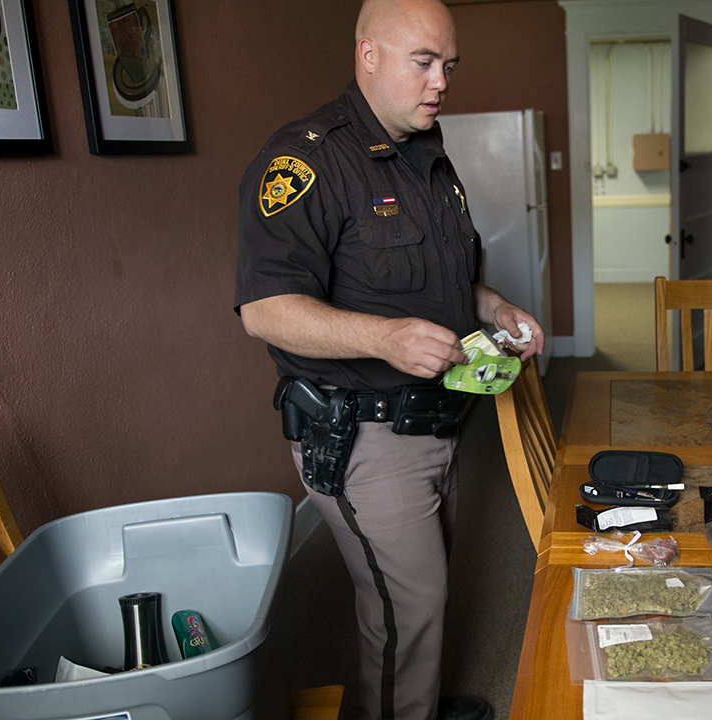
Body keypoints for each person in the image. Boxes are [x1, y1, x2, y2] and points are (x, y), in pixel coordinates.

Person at [233, 1, 544, 718]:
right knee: (413, 600)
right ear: (368, 55)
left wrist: (495, 309)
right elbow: (265, 310)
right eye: (424, 62)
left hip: (436, 420)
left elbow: (444, 280)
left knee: (415, 595)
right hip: (362, 436)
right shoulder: (305, 160)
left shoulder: (425, 152)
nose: (441, 82)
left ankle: (417, 706)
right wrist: (384, 338)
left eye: (449, 66)